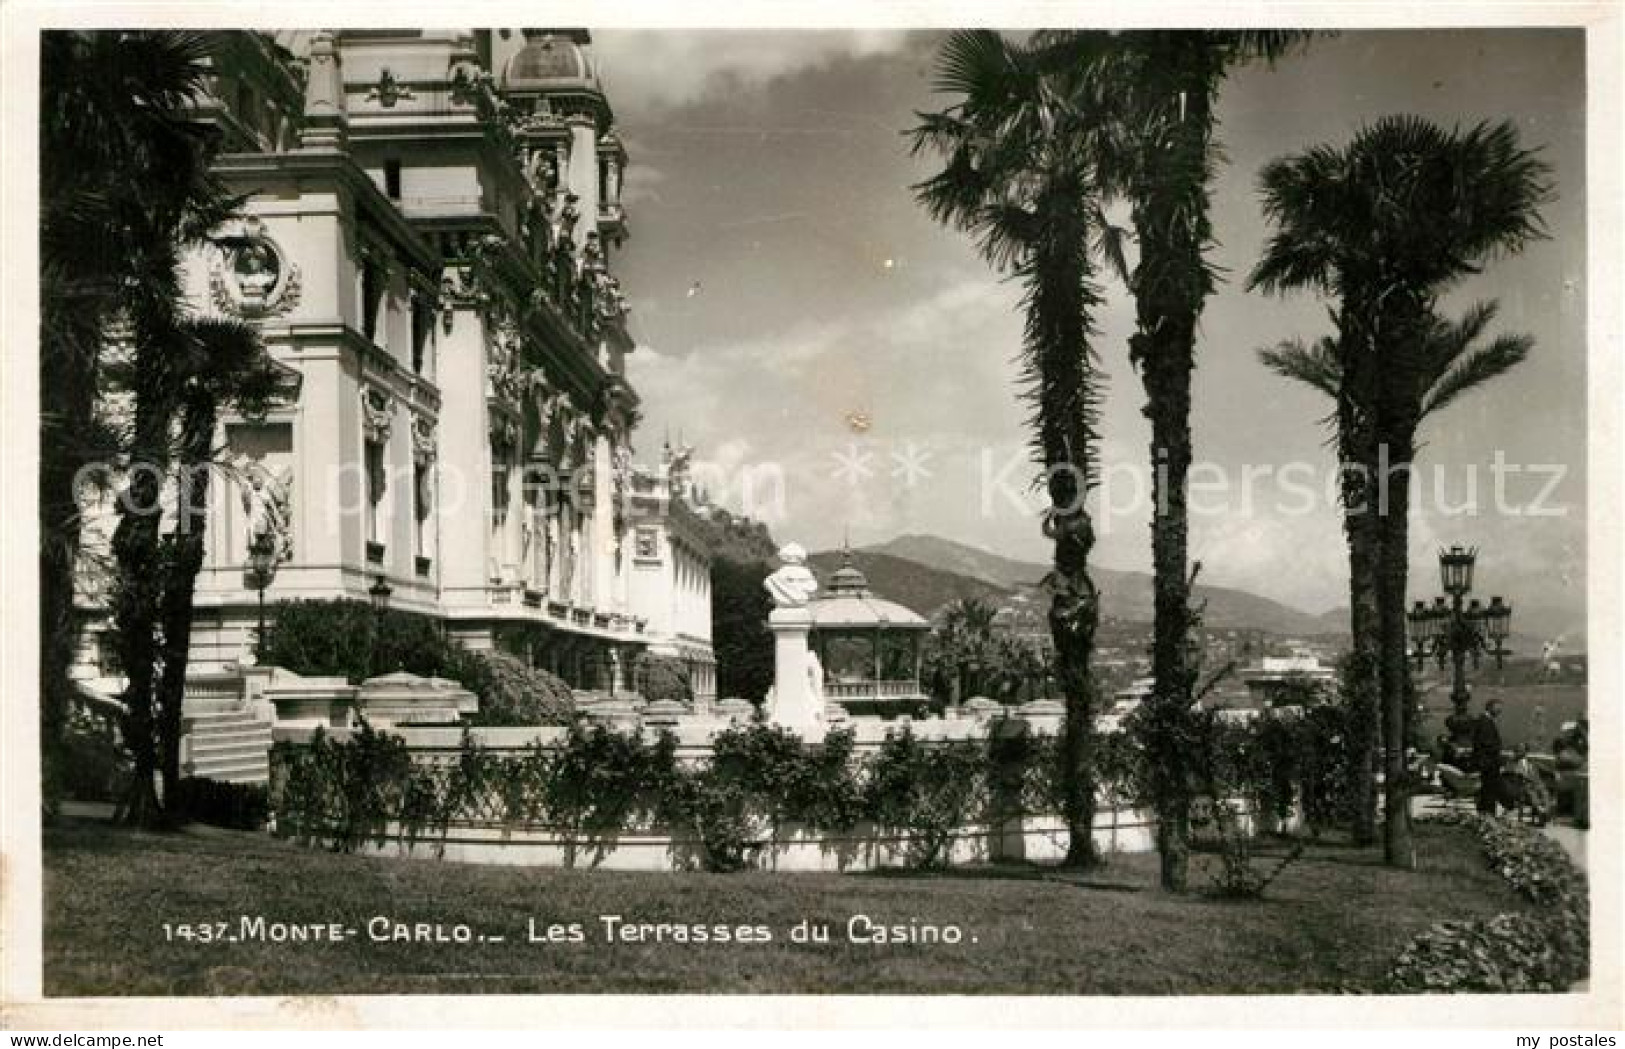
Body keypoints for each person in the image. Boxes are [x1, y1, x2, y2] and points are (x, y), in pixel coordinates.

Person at [1472, 698, 1506, 815]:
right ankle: (1488, 815)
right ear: (1490, 707)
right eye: (1498, 707)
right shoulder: (1485, 722)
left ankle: (1485, 814)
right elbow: (1486, 743)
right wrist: (1497, 751)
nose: (1500, 710)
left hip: (1487, 763)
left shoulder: (1484, 721)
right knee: (1489, 791)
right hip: (1488, 763)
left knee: (1487, 791)